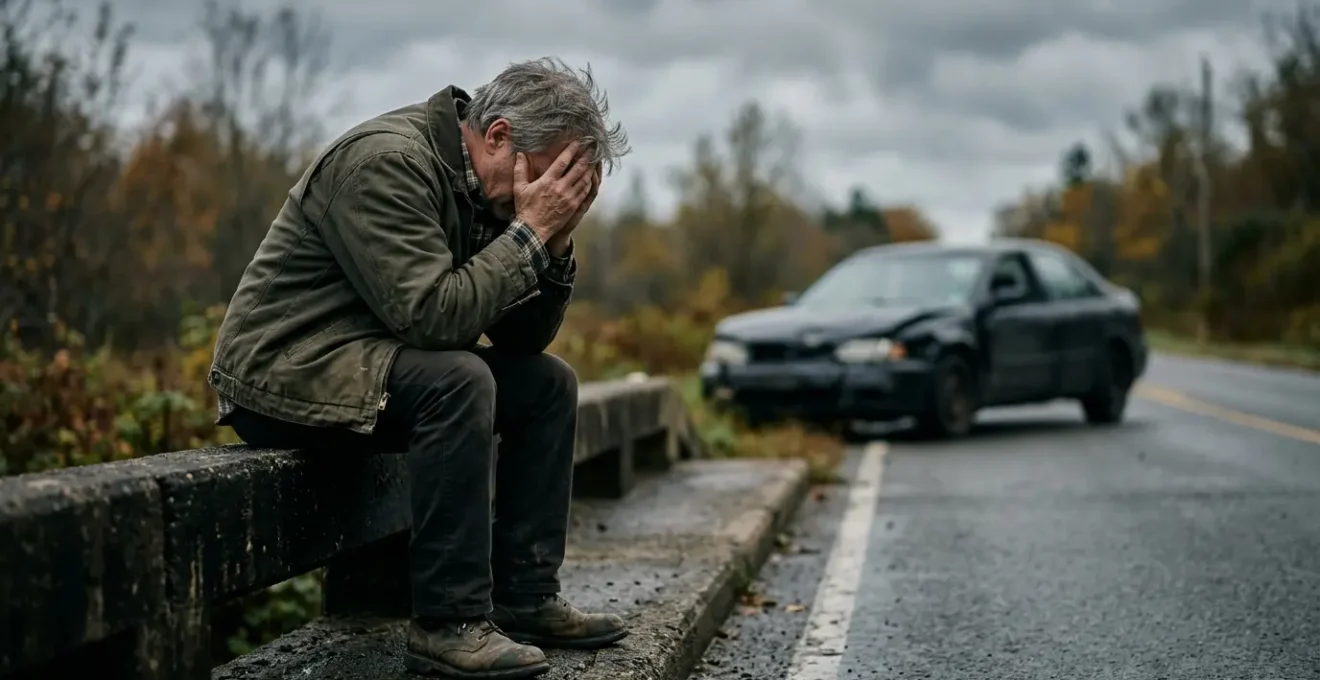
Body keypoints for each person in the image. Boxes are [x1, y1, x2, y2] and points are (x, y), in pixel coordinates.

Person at [206, 57, 631, 679]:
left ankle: (526, 596)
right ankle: (448, 625)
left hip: (378, 362)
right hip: (286, 371)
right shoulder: (385, 162)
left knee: (547, 385)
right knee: (459, 381)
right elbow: (432, 318)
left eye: (565, 189)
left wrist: (554, 239)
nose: (550, 197)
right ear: (498, 137)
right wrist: (530, 233)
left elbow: (524, 340)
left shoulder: (486, 187)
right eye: (549, 179)